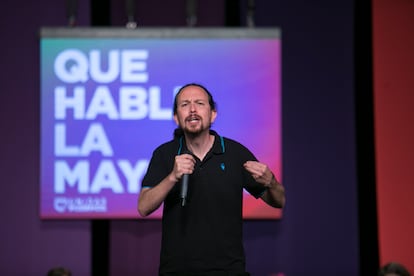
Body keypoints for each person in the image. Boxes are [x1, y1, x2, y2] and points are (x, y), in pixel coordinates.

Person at [138, 83, 285, 276]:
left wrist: (271, 182)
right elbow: (143, 207)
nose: (192, 109)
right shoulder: (164, 154)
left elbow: (279, 201)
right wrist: (172, 177)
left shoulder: (235, 153)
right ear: (176, 117)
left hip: (228, 270)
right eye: (184, 104)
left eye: (199, 103)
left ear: (213, 114)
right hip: (177, 271)